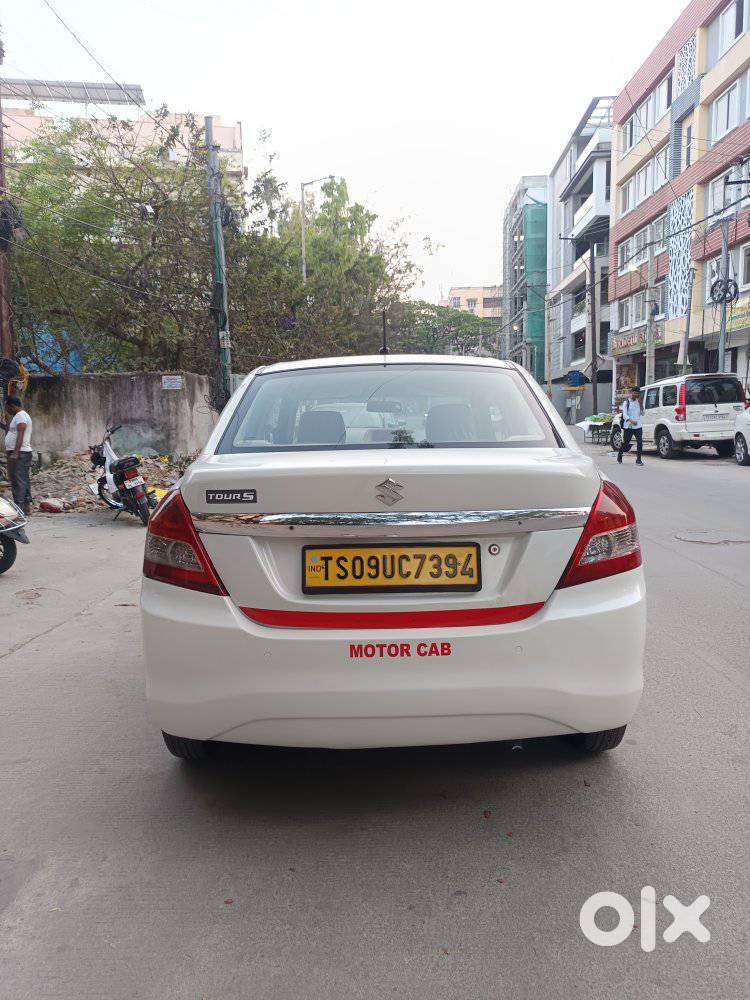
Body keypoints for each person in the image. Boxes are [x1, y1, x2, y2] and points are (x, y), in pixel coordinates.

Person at [4, 396, 33, 513]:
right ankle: (25, 508)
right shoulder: (19, 416)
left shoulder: (20, 416)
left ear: (11, 406)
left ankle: (19, 510)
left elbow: (21, 433)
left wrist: (15, 453)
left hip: (20, 453)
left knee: (18, 481)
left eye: (6, 407)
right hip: (21, 452)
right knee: (23, 480)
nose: (6, 410)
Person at [618, 387, 643, 466]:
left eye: (637, 393)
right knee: (626, 443)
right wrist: (631, 420)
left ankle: (638, 460)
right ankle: (620, 454)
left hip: (638, 426)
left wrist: (641, 405)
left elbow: (643, 413)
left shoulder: (639, 402)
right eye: (635, 393)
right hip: (629, 426)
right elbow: (624, 415)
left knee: (640, 442)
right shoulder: (626, 403)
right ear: (632, 393)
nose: (636, 394)